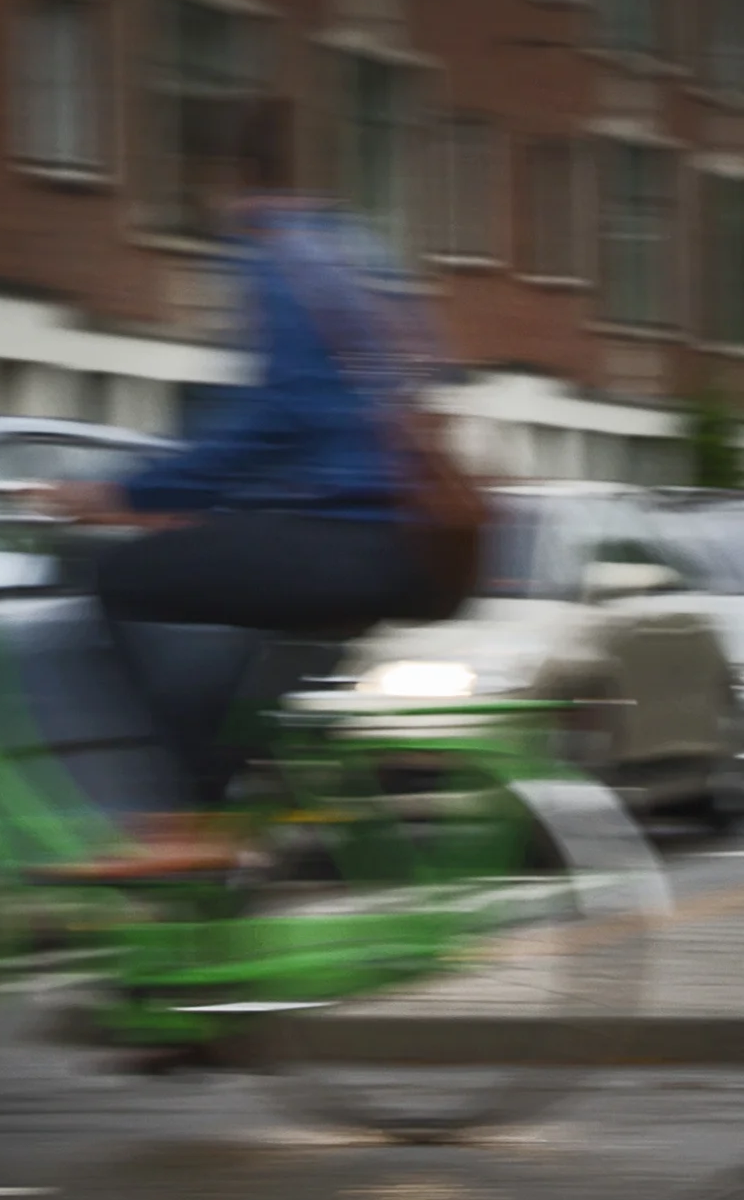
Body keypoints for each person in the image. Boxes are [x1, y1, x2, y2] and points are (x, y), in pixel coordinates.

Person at [41, 198, 447, 878]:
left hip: (339, 539)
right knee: (231, 630)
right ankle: (237, 804)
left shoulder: (280, 257)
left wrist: (124, 495)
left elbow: (273, 422)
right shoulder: (358, 254)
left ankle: (190, 820)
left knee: (123, 581)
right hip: (398, 542)